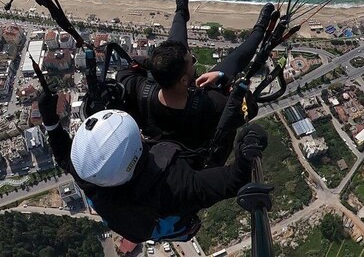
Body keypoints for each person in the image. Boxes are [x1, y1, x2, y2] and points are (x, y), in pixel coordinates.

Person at [39, 91, 268, 242]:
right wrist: (249, 141)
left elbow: (64, 156)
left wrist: (50, 122)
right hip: (169, 221)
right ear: (136, 155)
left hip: (133, 220)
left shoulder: (91, 174)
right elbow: (235, 179)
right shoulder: (174, 187)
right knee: (208, 155)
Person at [117, 0, 274, 159]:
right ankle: (260, 29)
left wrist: (158, 65)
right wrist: (223, 76)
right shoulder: (214, 104)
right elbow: (249, 109)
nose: (193, 60)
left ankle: (181, 11)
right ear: (185, 80)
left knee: (175, 47)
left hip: (170, 100)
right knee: (234, 61)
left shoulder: (139, 90)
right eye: (191, 61)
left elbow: (125, 69)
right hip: (199, 154)